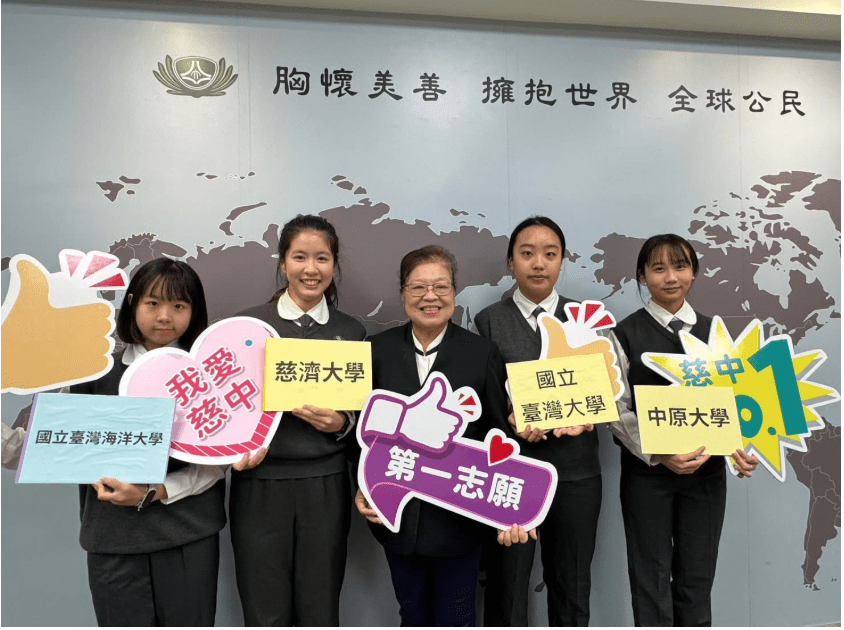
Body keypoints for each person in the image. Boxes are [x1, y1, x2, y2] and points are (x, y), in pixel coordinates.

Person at [354, 244, 532, 627]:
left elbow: (498, 436)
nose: (430, 296)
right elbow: (360, 431)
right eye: (418, 287)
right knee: (412, 613)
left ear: (454, 291)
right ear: (402, 293)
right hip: (396, 517)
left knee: (457, 616)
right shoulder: (375, 351)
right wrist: (361, 486)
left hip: (460, 522)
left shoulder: (481, 353)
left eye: (441, 286)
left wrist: (511, 509)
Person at [608, 233, 758, 627]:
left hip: (706, 476)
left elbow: (738, 403)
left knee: (697, 577)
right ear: (643, 276)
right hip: (647, 476)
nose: (670, 277)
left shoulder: (715, 334)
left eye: (680, 266)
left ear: (694, 272)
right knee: (650, 577)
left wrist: (742, 450)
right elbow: (616, 408)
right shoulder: (622, 335)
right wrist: (658, 453)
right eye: (658, 268)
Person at [71, 258, 227, 626]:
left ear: (194, 311)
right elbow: (66, 447)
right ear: (132, 303)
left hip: (188, 534)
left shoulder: (208, 375)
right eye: (153, 303)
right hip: (114, 540)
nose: (165, 316)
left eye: (179, 305)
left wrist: (152, 492)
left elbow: (216, 464)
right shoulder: (94, 373)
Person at [229, 214, 366, 626]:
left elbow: (364, 421)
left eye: (322, 258)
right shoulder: (249, 327)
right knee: (263, 606)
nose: (311, 269)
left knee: (320, 605)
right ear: (282, 262)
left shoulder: (352, 332)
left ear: (334, 264)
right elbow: (226, 408)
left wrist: (340, 424)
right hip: (259, 482)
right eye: (300, 257)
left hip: (325, 484)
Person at [474, 216, 601, 626]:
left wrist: (589, 416)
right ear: (511, 261)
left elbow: (607, 390)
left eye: (550, 253)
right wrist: (510, 423)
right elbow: (483, 401)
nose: (539, 263)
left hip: (576, 471)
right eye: (527, 253)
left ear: (562, 260)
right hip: (511, 471)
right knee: (507, 585)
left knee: (572, 583)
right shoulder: (488, 320)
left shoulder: (585, 319)